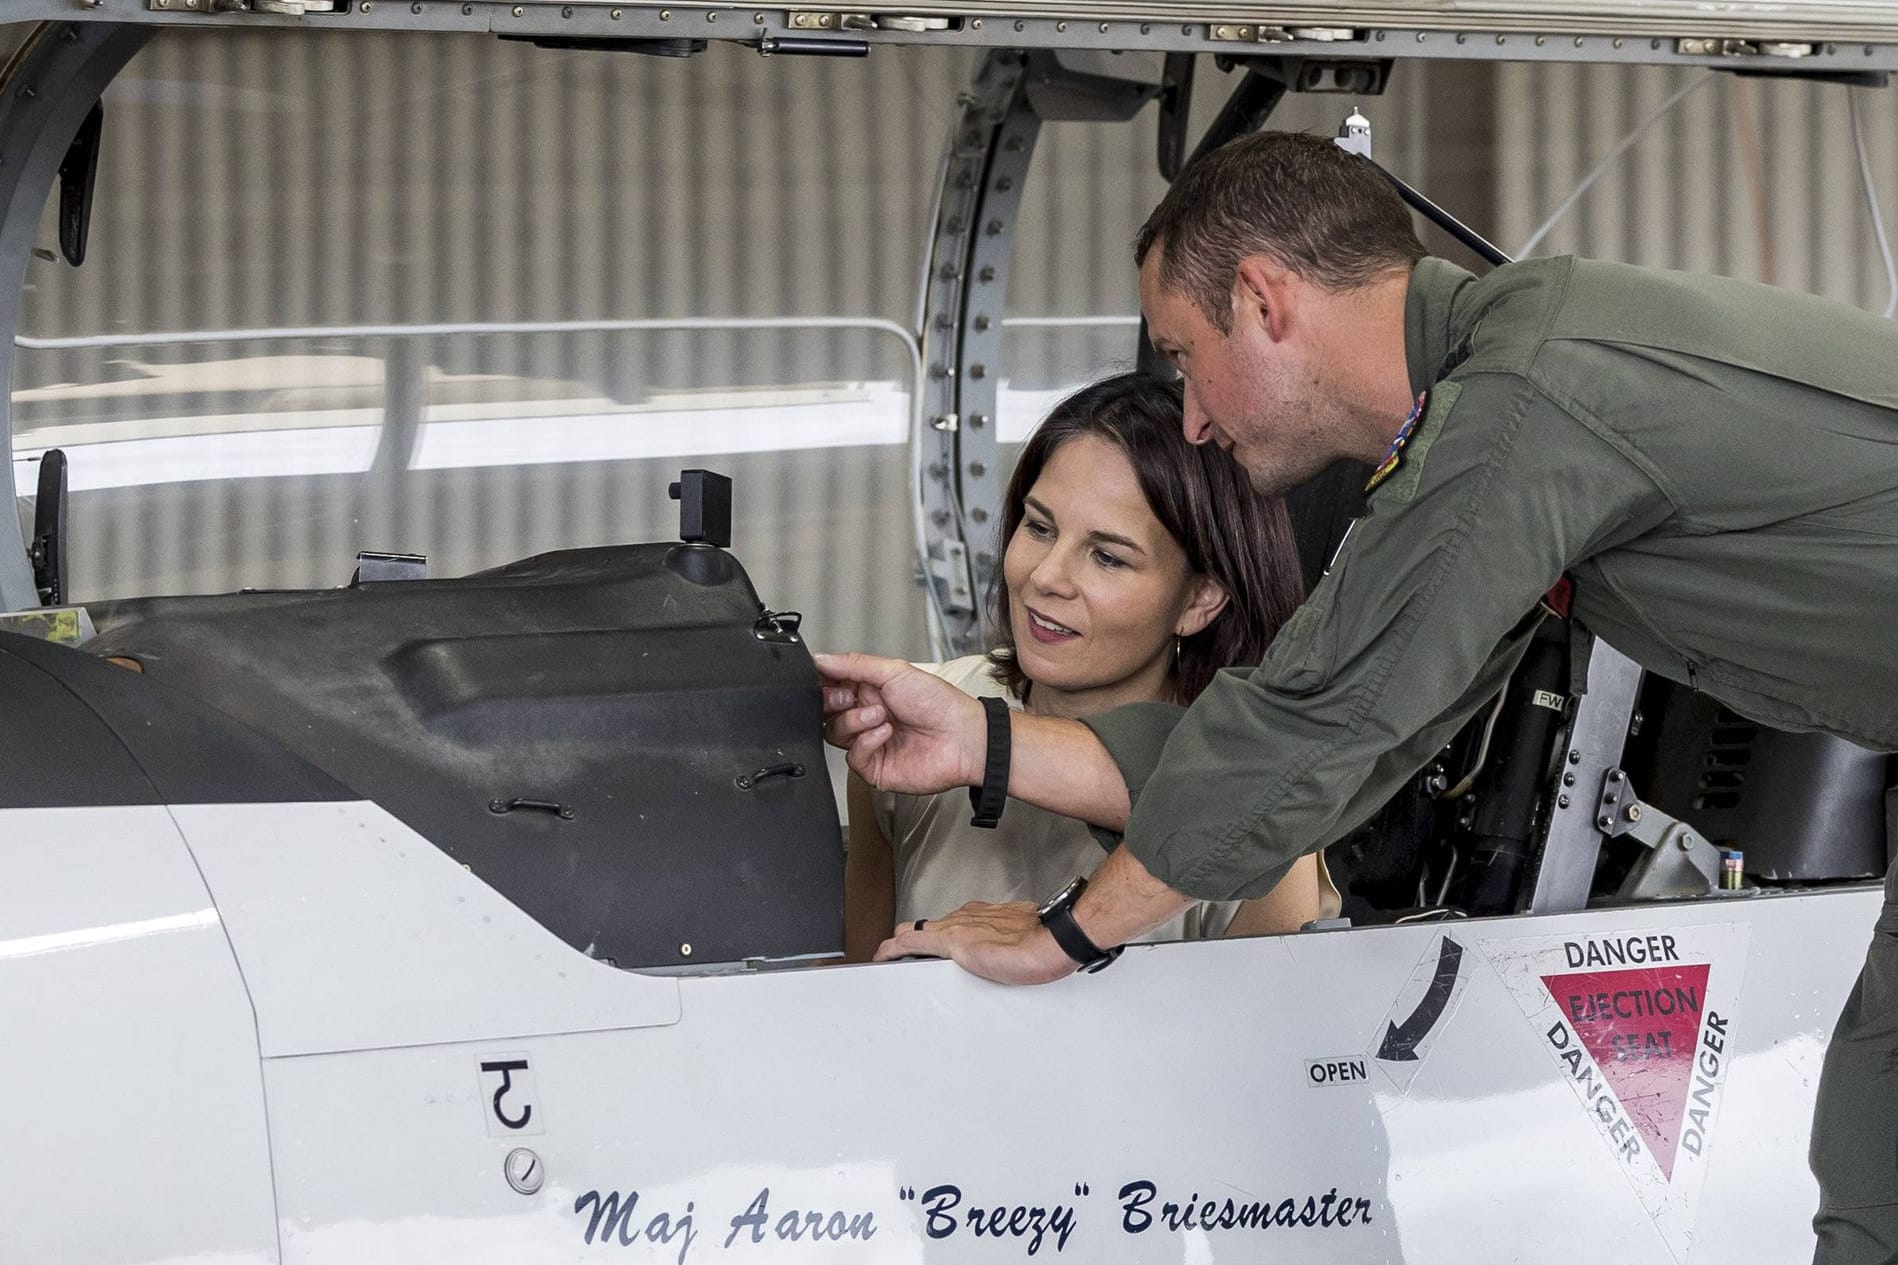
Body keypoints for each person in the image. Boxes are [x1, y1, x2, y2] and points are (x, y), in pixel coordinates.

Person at [816, 129, 1898, 1262]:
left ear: (1261, 300)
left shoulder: (1520, 404)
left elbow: (1320, 721)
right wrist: (986, 740)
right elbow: (1364, 724)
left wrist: (1069, 934)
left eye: (1184, 359)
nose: (1188, 418)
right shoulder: (1509, 386)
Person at [843, 373, 1334, 961]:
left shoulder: (1258, 801)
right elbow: (858, 993)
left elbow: (1267, 1041)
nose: (1046, 576)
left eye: (1106, 557)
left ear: (1200, 600)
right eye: (1039, 527)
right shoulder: (906, 728)